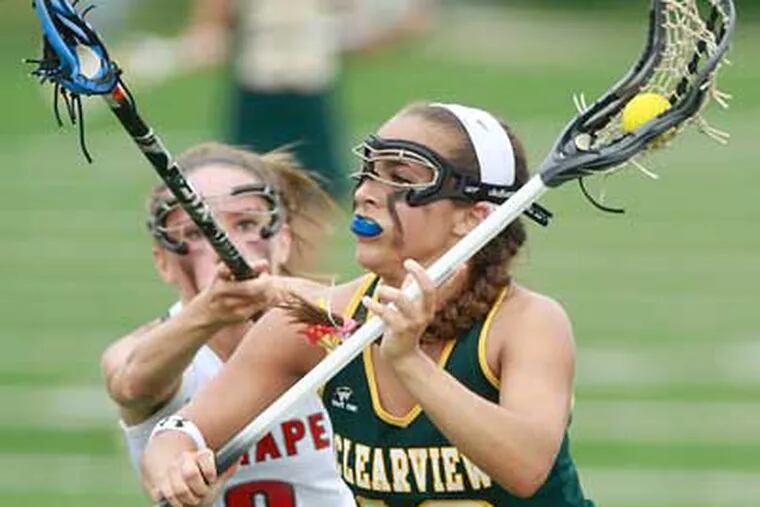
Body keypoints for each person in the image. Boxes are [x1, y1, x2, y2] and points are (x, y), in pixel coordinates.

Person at [142, 103, 595, 506]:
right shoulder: (323, 322)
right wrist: (177, 467)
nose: (364, 192)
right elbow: (179, 432)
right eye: (369, 171)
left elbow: (526, 467)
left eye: (401, 178)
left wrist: (409, 361)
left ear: (473, 218)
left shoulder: (527, 323)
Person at [101, 142, 356, 506]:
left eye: (246, 223)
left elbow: (375, 321)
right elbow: (131, 385)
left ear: (283, 241)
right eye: (194, 232)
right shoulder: (144, 351)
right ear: (163, 262)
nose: (224, 245)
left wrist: (278, 295)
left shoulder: (326, 325)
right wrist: (209, 311)